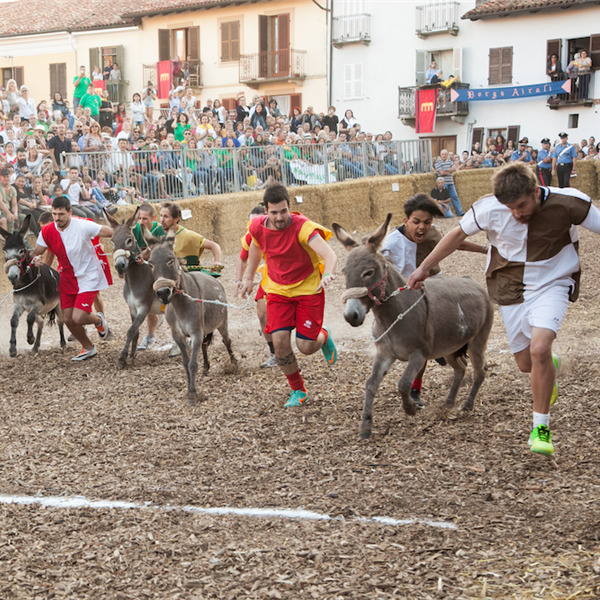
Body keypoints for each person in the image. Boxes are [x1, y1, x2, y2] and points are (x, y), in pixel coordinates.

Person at [407, 162, 600, 456]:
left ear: (536, 191)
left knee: (539, 348)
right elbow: (456, 236)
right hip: (509, 287)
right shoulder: (488, 208)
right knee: (526, 363)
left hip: (553, 284)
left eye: (521, 205)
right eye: (509, 208)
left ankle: (540, 429)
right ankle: (551, 366)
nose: (516, 214)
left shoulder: (570, 201)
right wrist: (423, 268)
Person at [381, 193, 488, 407]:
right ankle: (438, 357)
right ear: (406, 221)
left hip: (433, 291)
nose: (422, 227)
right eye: (417, 222)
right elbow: (377, 267)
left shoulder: (433, 235)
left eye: (427, 222)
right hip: (404, 296)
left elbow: (458, 244)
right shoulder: (391, 243)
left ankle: (417, 388)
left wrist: (486, 249)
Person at [239, 183, 338, 408]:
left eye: (283, 211)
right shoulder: (256, 227)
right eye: (274, 212)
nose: (280, 216)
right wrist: (248, 278)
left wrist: (329, 273)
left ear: (289, 207)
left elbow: (329, 253)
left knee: (306, 346)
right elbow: (255, 248)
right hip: (277, 289)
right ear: (265, 210)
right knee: (279, 341)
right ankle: (298, 390)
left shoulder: (302, 227)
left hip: (308, 288)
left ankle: (323, 336)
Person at [31, 195, 113, 361]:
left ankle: (99, 320)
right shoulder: (47, 231)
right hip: (67, 277)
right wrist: (35, 259)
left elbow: (110, 232)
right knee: (67, 318)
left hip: (89, 275)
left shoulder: (83, 225)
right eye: (54, 214)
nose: (57, 218)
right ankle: (88, 348)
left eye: (61, 214)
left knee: (79, 317)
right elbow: (36, 252)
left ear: (69, 212)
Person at [158, 201, 224, 356]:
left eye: (166, 216)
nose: (161, 220)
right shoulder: (163, 238)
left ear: (176, 219)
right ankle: (180, 335)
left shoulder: (188, 236)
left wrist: (218, 262)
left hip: (191, 281)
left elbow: (215, 246)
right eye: (160, 215)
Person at [234, 205, 277, 368]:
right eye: (250, 223)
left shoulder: (280, 229)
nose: (253, 227)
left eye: (256, 222)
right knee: (262, 314)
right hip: (269, 276)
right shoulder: (250, 235)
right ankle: (275, 353)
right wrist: (239, 279)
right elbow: (243, 258)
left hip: (289, 275)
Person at [435, 149, 464, 216]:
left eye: (445, 154)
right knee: (445, 198)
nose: (444, 155)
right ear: (440, 155)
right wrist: (450, 171)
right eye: (442, 154)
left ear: (447, 155)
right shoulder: (438, 162)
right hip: (443, 183)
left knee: (455, 196)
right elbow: (441, 173)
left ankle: (460, 212)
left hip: (450, 182)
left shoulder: (449, 161)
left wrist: (447, 170)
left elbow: (454, 169)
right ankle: (448, 214)